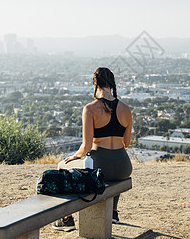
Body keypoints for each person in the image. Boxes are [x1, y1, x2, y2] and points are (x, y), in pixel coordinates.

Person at [52, 67, 133, 232]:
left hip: (100, 164)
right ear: (112, 83)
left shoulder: (90, 108)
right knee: (113, 177)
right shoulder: (126, 109)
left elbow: (86, 147)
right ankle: (113, 213)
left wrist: (73, 157)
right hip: (124, 167)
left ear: (95, 84)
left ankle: (66, 219)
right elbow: (127, 143)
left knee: (62, 167)